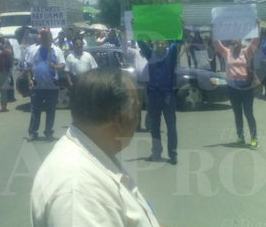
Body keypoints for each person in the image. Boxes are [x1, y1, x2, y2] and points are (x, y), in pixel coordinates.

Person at [30, 67, 161, 227]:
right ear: (120, 120)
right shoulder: (80, 192)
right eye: (137, 112)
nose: (137, 120)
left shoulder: (94, 152)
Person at [213, 22, 261, 150]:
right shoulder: (227, 53)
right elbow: (216, 44)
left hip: (245, 88)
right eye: (232, 43)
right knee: (237, 113)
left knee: (248, 113)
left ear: (241, 42)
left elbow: (255, 40)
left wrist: (257, 26)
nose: (234, 45)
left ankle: (254, 138)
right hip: (232, 88)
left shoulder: (246, 52)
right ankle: (240, 136)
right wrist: (214, 28)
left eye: (236, 43)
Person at [137, 36, 179, 165]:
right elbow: (140, 42)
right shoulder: (151, 55)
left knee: (171, 127)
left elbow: (177, 42)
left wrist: (180, 29)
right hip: (153, 96)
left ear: (166, 45)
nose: (161, 45)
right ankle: (156, 152)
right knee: (154, 127)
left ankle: (172, 154)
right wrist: (135, 28)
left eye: (163, 43)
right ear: (155, 45)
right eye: (159, 43)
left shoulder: (171, 56)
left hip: (167, 96)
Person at [25, 28, 65, 142]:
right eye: (42, 36)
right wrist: (29, 80)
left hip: (52, 85)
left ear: (50, 37)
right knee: (35, 110)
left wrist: (56, 67)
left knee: (51, 110)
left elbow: (62, 65)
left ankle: (48, 132)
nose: (44, 38)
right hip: (37, 85)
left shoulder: (56, 51)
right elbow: (28, 66)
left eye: (46, 36)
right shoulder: (34, 50)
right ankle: (33, 132)